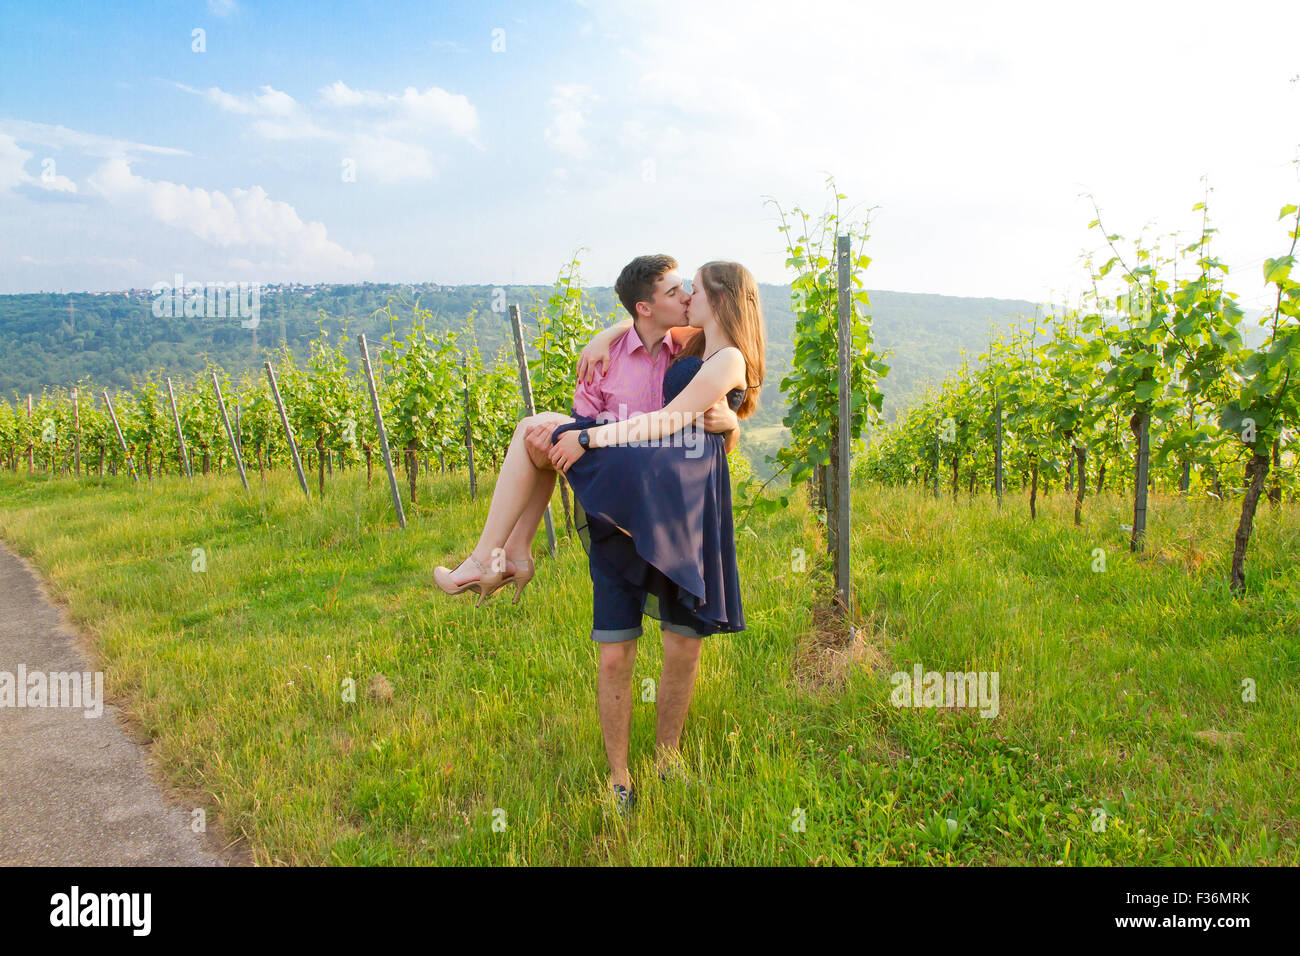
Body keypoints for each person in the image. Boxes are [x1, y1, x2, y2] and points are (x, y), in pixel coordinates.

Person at [435, 255, 766, 811]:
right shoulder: (686, 342)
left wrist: (729, 421)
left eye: (696, 290)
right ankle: (502, 553)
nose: (688, 296)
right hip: (639, 484)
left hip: (678, 502)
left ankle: (666, 763)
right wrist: (609, 333)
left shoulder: (722, 353)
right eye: (678, 290)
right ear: (647, 306)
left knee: (682, 648)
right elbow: (644, 335)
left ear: (720, 300)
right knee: (537, 434)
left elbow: (679, 418)